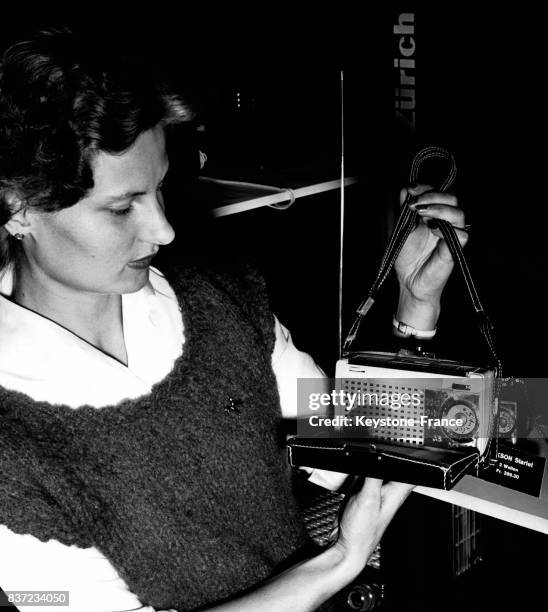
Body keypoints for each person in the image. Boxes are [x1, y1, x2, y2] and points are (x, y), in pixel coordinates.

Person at [0, 28, 468, 612]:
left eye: (160, 189)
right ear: (20, 208)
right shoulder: (12, 455)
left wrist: (415, 305)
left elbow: (353, 437)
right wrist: (333, 565)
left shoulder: (215, 299)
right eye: (122, 207)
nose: (162, 230)